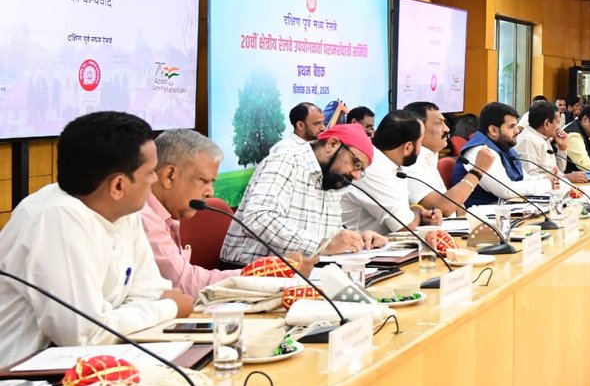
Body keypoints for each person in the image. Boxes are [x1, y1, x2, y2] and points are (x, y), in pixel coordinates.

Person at [0, 112, 192, 365]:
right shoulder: (55, 218)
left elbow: (152, 292)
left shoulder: (124, 211)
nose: (155, 179)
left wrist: (131, 314)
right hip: (21, 379)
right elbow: (85, 335)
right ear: (119, 186)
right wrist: (167, 308)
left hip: (92, 364)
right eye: (149, 173)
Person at [220, 123, 385, 264]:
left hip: (302, 271)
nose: (356, 175)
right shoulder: (286, 160)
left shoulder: (331, 177)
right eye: (356, 164)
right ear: (332, 144)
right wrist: (323, 245)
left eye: (361, 171)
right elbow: (257, 218)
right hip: (248, 272)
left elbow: (328, 235)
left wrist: (358, 240)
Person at [140, 129, 245, 297]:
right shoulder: (143, 217)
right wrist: (257, 275)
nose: (210, 192)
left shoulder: (168, 213)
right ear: (169, 176)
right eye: (204, 181)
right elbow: (184, 286)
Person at [343, 111, 440, 233]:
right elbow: (404, 226)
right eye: (420, 143)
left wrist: (419, 212)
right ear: (408, 147)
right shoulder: (373, 167)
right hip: (358, 243)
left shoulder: (391, 164)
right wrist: (419, 212)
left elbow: (404, 213)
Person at [455, 102, 547, 207]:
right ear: (493, 130)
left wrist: (548, 179)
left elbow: (523, 178)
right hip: (479, 213)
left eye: (516, 125)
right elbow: (506, 191)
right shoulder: (481, 151)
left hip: (501, 210)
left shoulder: (503, 147)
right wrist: (547, 184)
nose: (517, 131)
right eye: (511, 127)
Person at [401, 100, 479, 217]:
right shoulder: (410, 165)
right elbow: (444, 208)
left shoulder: (429, 160)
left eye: (445, 123)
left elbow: (458, 208)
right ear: (418, 129)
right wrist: (477, 171)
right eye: (439, 123)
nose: (447, 129)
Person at [516, 101, 569, 179]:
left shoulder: (543, 137)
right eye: (557, 123)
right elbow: (530, 178)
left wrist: (562, 148)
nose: (558, 127)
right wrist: (566, 177)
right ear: (547, 123)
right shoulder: (527, 141)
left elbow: (559, 170)